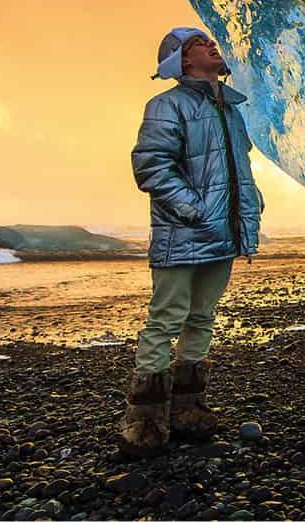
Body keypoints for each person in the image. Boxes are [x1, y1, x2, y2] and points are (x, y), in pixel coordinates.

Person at [118, 26, 264, 457]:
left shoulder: (231, 110)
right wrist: (195, 209)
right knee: (165, 319)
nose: (211, 45)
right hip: (184, 234)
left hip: (224, 234)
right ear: (182, 61)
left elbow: (240, 169)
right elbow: (150, 166)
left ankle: (188, 409)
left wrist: (248, 207)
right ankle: (144, 418)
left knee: (202, 318)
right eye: (200, 44)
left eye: (209, 41)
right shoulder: (166, 105)